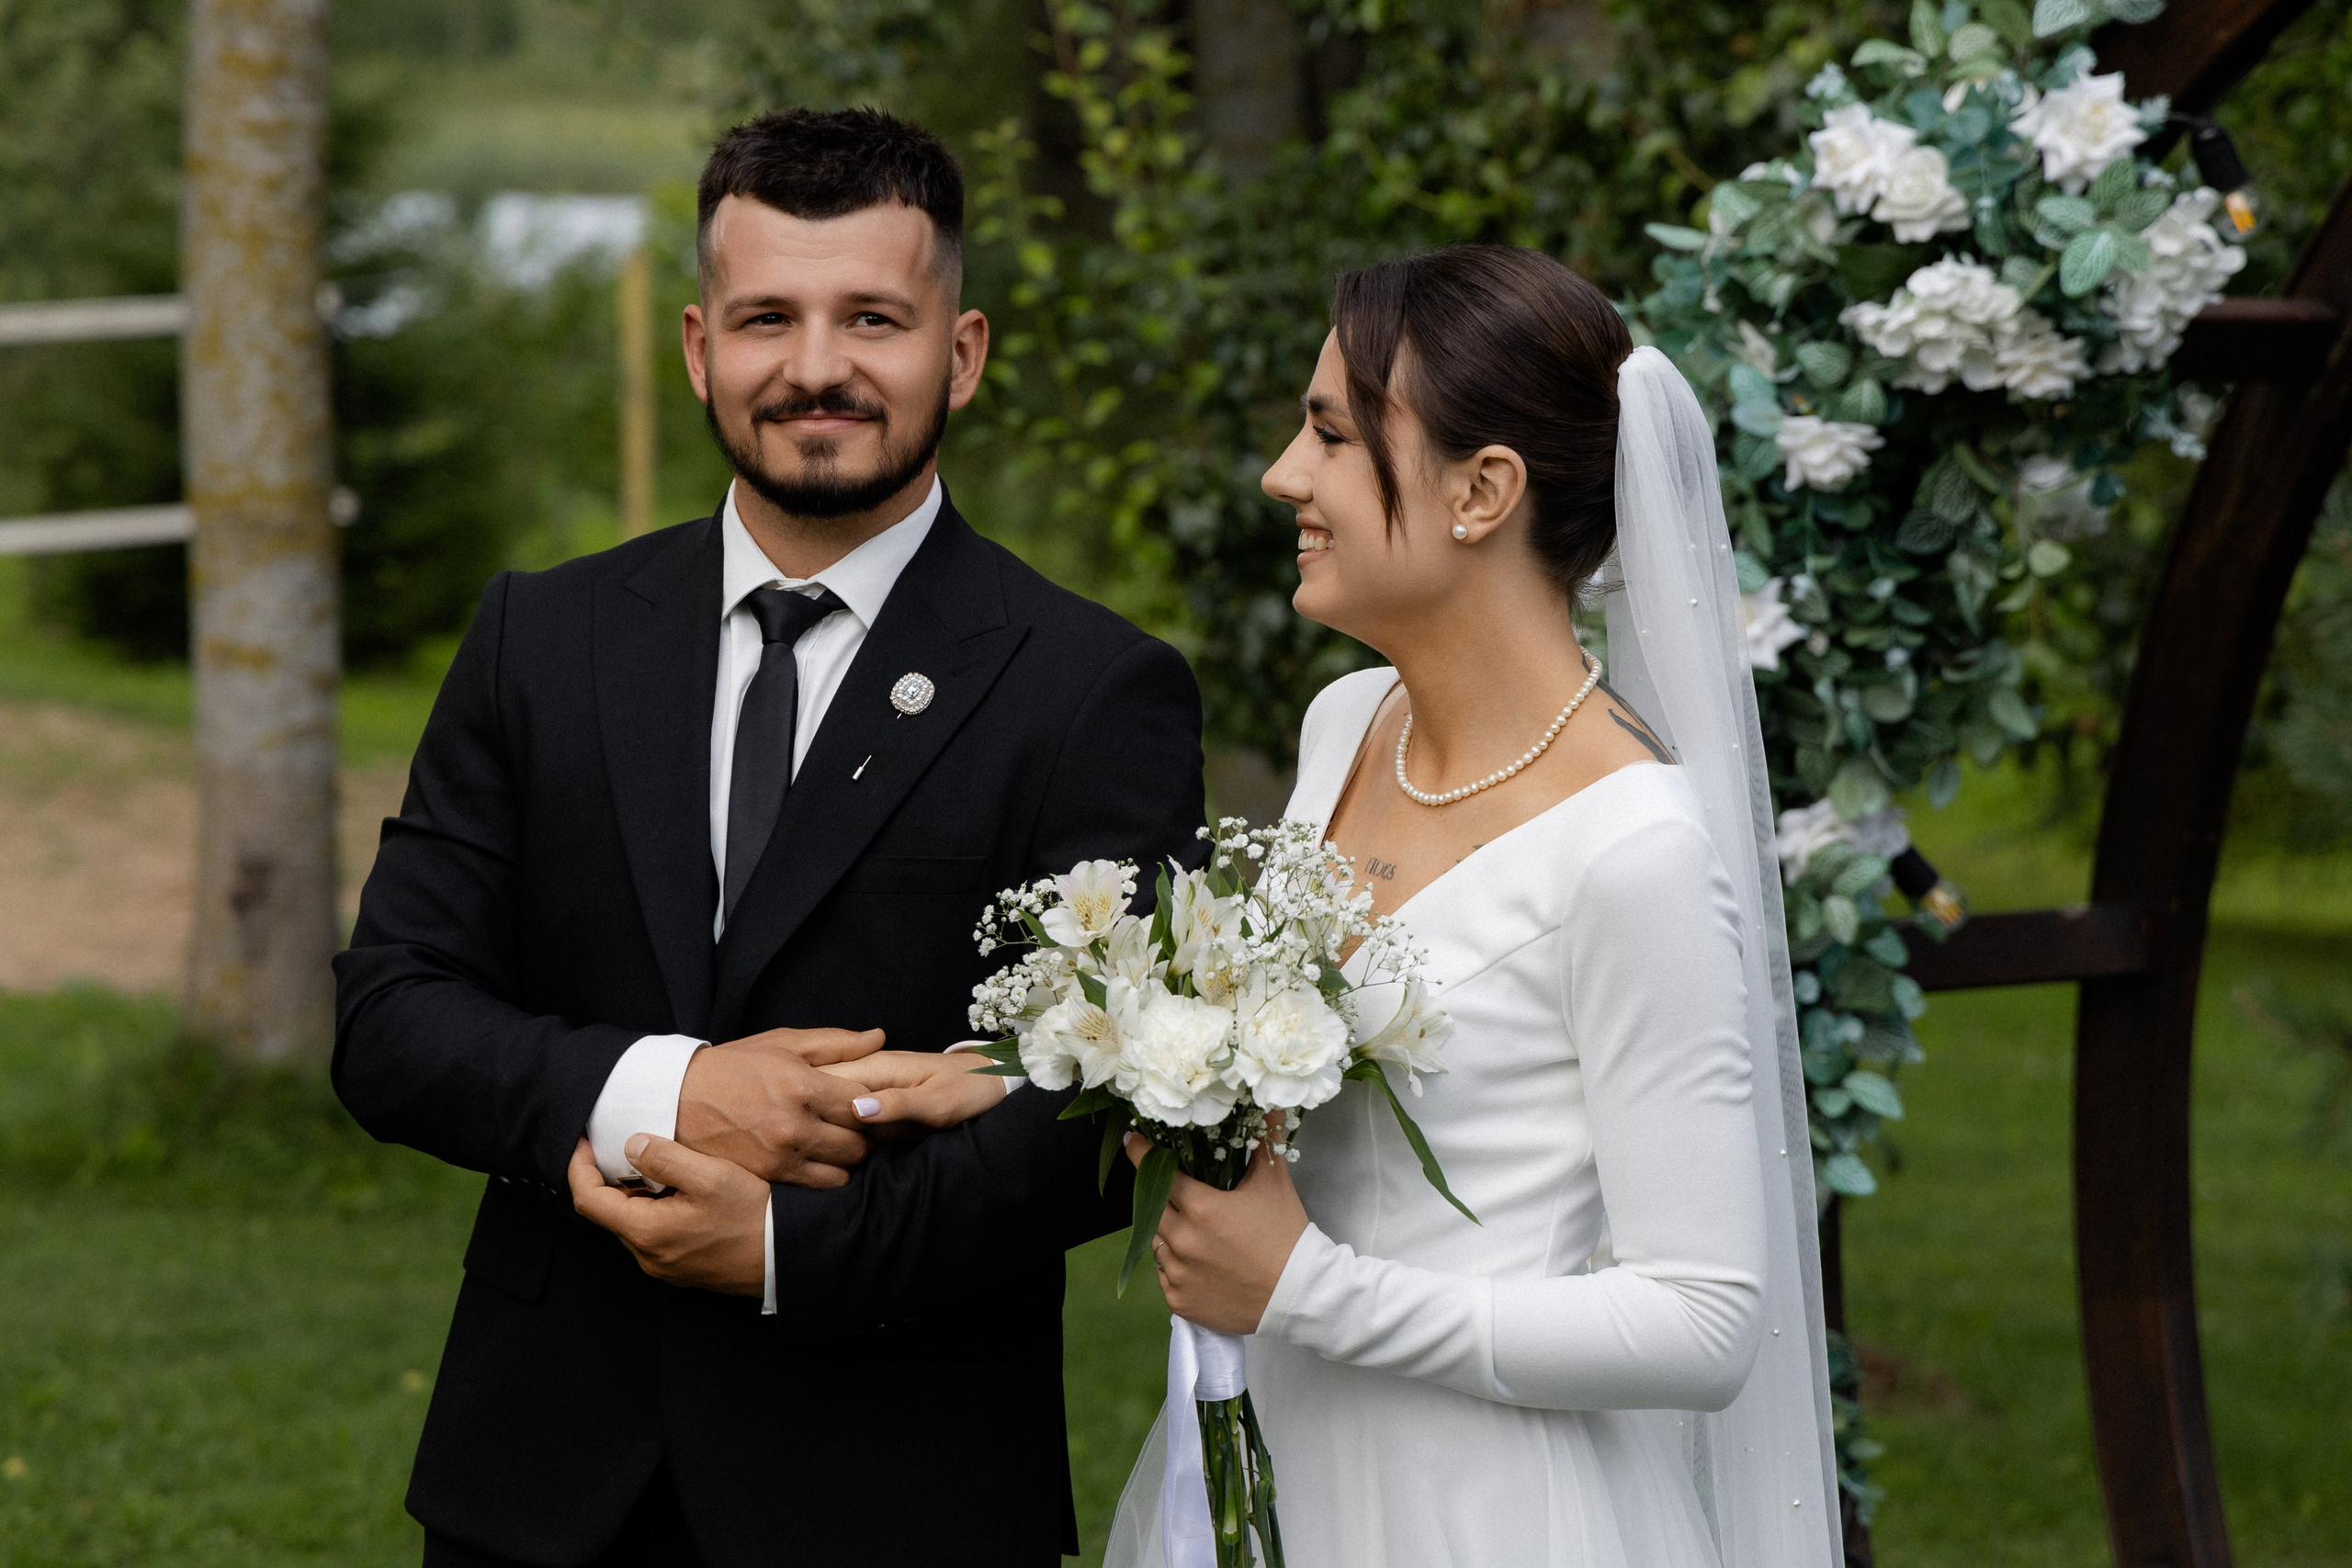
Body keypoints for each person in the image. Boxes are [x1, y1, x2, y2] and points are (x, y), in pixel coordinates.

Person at [332, 107, 1205, 1568]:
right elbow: (392, 1018)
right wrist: (665, 1090)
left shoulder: (1089, 689)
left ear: (964, 350)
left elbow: (1098, 1123)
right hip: (539, 1489)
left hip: (899, 1490)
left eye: (873, 317)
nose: (816, 369)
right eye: (766, 319)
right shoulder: (536, 641)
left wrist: (797, 1251)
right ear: (697, 348)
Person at [1091, 245, 1839, 1564]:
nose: (1284, 473)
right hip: (1283, 1463)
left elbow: (1706, 1319)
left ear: (1483, 489)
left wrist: (1311, 1289)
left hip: (1487, 1511)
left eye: (1331, 432)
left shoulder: (1633, 851)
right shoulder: (1346, 727)